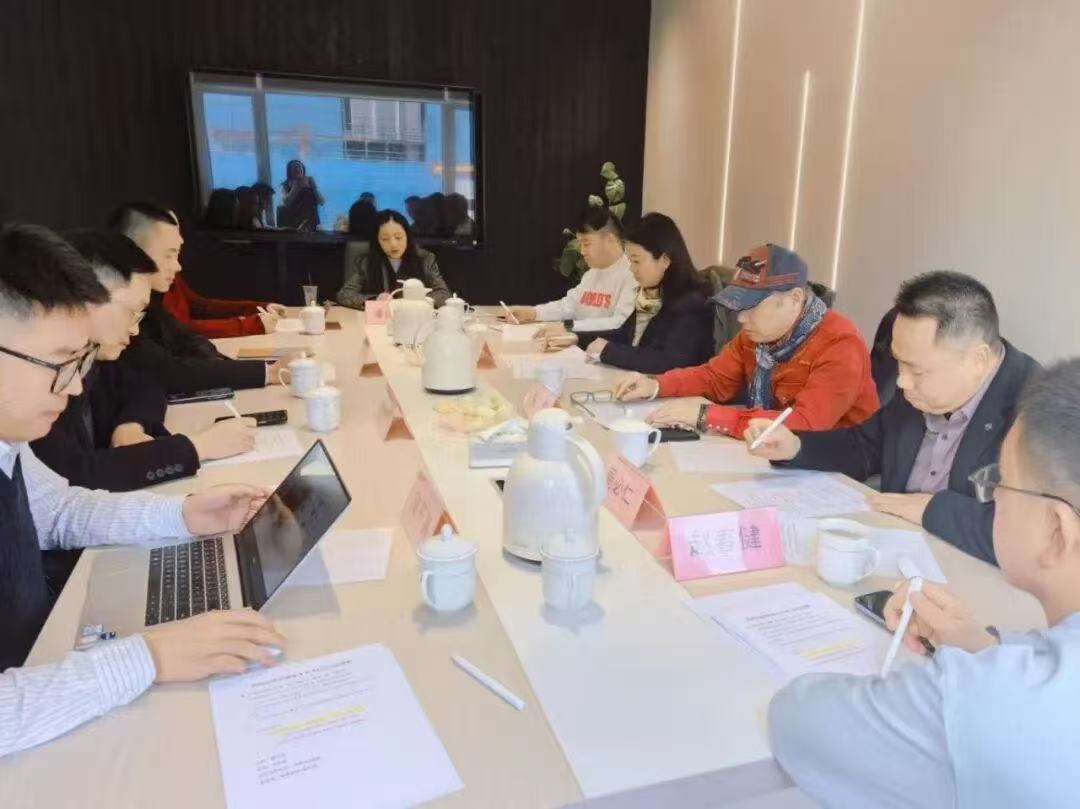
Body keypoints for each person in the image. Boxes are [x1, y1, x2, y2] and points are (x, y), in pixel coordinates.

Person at [0, 223, 286, 757]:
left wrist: (181, 516)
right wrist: (147, 659)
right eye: (60, 363)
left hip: (47, 667)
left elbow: (56, 511)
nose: (76, 385)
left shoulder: (8, 440)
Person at [768, 359, 1080, 808]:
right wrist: (984, 646)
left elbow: (797, 721)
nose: (992, 496)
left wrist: (972, 672)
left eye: (1001, 483)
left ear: (1057, 530)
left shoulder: (986, 701)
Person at [747, 271, 1039, 564]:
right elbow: (866, 445)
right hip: (894, 552)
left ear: (977, 360)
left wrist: (933, 511)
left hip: (969, 572)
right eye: (899, 363)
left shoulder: (1040, 413)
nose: (901, 381)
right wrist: (795, 446)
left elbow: (1036, 538)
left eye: (917, 370)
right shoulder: (919, 388)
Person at [31, 230, 257, 493]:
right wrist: (197, 448)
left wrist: (130, 424)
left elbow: (147, 385)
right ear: (85, 300)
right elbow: (73, 478)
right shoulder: (37, 380)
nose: (135, 329)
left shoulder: (99, 357)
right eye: (131, 313)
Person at [615, 244, 879, 439]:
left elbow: (805, 425)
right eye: (739, 306)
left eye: (752, 307)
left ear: (794, 299)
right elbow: (715, 378)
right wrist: (655, 384)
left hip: (834, 471)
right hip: (768, 451)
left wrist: (706, 416)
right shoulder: (756, 336)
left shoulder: (840, 345)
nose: (741, 318)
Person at [108, 202, 296, 395]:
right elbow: (168, 373)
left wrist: (222, 364)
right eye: (168, 255)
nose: (178, 266)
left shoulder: (153, 300)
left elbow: (187, 337)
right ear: (134, 252)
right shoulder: (118, 307)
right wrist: (268, 372)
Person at [575, 213, 714, 374]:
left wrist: (608, 351)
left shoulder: (692, 304)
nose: (632, 269)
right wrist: (577, 338)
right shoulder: (651, 294)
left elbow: (670, 362)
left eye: (636, 261)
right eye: (630, 261)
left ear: (664, 261)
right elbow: (624, 335)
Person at [508, 206, 635, 336]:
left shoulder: (634, 274)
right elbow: (570, 305)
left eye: (586, 244)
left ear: (610, 240)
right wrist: (534, 313)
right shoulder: (592, 274)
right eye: (580, 244)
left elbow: (620, 323)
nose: (582, 252)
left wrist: (569, 327)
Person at [336, 209, 451, 307]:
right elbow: (344, 294)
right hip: (380, 320)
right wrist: (374, 300)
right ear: (377, 241)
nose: (393, 244)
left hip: (415, 318)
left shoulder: (425, 258)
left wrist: (416, 300)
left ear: (407, 236)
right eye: (385, 239)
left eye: (398, 237)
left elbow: (444, 294)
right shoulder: (366, 262)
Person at [277, 159, 323, 230]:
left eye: (299, 166)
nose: (298, 169)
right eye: (295, 167)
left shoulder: (309, 182)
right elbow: (286, 203)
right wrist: (297, 186)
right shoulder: (286, 185)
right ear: (290, 171)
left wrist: (314, 187)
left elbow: (321, 201)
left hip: (312, 221)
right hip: (295, 223)